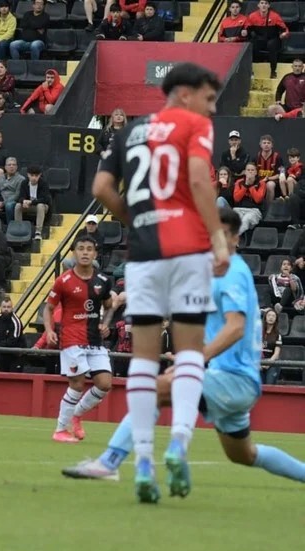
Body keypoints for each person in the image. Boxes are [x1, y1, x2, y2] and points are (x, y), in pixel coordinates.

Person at [63, 209, 305, 488]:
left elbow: (235, 327)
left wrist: (196, 360)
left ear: (236, 239)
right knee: (244, 454)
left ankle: (108, 463)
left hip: (232, 378)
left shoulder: (232, 272)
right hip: (237, 382)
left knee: (153, 392)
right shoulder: (216, 272)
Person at [92, 62, 230, 503]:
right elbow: (196, 179)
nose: (212, 109)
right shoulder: (194, 125)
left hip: (144, 255)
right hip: (187, 248)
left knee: (144, 362)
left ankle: (143, 465)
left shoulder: (129, 131)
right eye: (209, 98)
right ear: (186, 94)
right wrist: (217, 240)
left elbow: (99, 187)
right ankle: (179, 444)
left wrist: (134, 220)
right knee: (189, 353)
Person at [44, 235, 116, 443]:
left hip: (94, 341)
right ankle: (60, 430)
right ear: (74, 253)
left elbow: (110, 306)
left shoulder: (102, 281)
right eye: (81, 249)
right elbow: (48, 309)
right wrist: (49, 330)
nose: (85, 252)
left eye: (89, 249)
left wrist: (106, 324)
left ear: (95, 254)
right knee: (77, 383)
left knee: (104, 383)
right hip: (71, 339)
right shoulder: (63, 281)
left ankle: (76, 415)